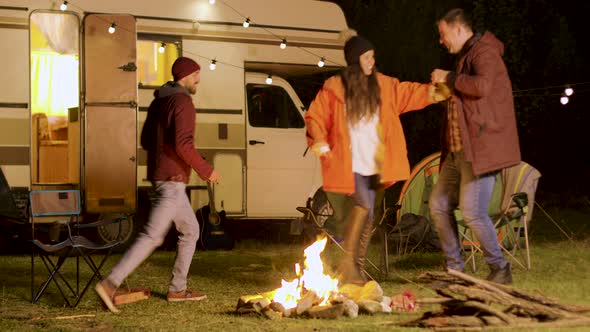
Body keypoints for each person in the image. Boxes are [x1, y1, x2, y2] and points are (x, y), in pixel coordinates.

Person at [305, 35, 443, 285]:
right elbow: (315, 116)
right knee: (365, 206)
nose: (372, 61)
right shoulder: (335, 88)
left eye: (373, 56)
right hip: (349, 162)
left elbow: (411, 93)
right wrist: (319, 139)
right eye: (367, 57)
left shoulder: (384, 86)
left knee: (369, 214)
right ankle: (349, 264)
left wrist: (442, 90)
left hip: (374, 163)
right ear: (355, 60)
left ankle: (356, 267)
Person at [95, 57, 220, 313]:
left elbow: (145, 139)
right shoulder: (183, 101)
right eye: (197, 74)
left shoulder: (159, 100)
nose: (199, 79)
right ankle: (110, 284)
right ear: (185, 75)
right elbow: (184, 143)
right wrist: (206, 170)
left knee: (191, 230)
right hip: (172, 180)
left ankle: (178, 289)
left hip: (163, 176)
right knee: (153, 236)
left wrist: (164, 159)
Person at [429, 8, 521, 284]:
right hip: (459, 152)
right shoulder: (466, 57)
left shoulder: (485, 52)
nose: (441, 41)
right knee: (438, 203)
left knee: (473, 212)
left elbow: (481, 86)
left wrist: (449, 78)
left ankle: (500, 268)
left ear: (459, 29)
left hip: (480, 151)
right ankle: (456, 270)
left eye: (443, 34)